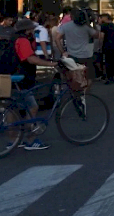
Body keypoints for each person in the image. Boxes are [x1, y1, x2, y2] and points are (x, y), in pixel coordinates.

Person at [12, 19, 59, 150]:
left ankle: (13, 141)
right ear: (27, 30)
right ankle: (31, 140)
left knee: (11, 108)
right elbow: (30, 59)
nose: (33, 31)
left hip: (10, 77)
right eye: (31, 29)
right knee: (32, 107)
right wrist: (51, 63)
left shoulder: (12, 38)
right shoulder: (22, 40)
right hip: (21, 79)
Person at [54, 8, 100, 83]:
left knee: (72, 77)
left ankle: (75, 93)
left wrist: (62, 52)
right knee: (89, 78)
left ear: (71, 16)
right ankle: (84, 94)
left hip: (72, 56)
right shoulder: (86, 27)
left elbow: (57, 39)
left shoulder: (65, 26)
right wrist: (92, 24)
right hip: (86, 55)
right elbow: (97, 35)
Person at [99, 14, 114, 85]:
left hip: (106, 46)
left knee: (107, 62)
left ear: (105, 18)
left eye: (102, 17)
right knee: (113, 61)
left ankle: (108, 77)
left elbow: (101, 37)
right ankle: (112, 76)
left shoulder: (103, 26)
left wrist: (100, 45)